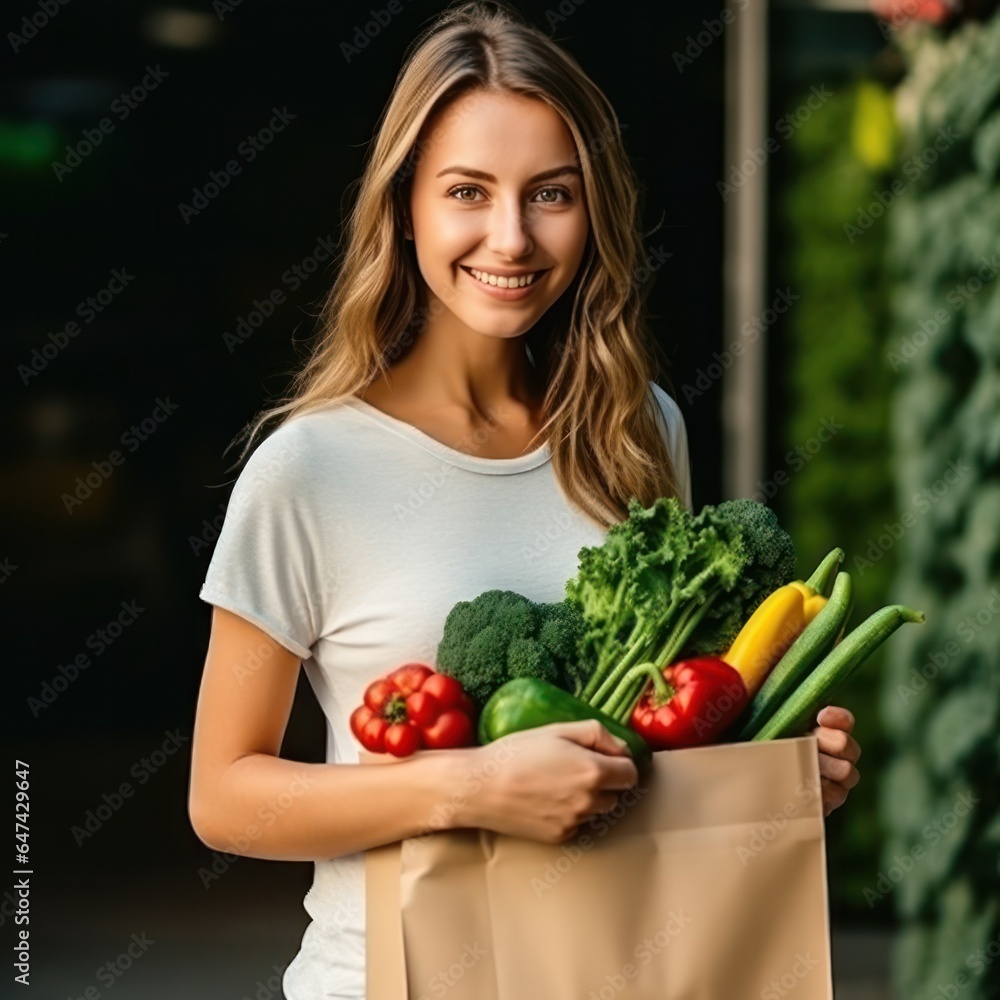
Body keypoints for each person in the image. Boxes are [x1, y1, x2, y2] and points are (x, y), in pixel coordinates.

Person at [187, 3, 861, 998]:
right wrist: (468, 788)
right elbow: (223, 798)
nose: (510, 237)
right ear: (404, 203)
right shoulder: (310, 467)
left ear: (594, 212)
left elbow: (651, 738)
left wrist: (777, 775)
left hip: (614, 969)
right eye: (467, 190)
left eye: (551, 193)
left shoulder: (639, 429)